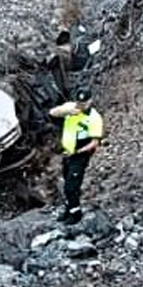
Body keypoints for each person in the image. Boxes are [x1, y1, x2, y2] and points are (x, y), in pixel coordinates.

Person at [48, 87, 103, 224]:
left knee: (71, 186)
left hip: (80, 154)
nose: (81, 106)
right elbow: (52, 113)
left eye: (84, 103)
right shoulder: (70, 108)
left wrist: (77, 152)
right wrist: (66, 111)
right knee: (66, 183)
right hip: (67, 152)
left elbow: (94, 143)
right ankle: (68, 210)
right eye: (79, 102)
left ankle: (76, 214)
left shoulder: (94, 118)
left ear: (90, 101)